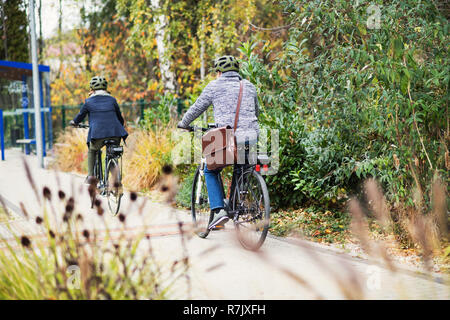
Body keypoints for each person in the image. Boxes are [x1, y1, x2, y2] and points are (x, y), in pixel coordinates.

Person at [177, 55, 260, 231]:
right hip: (251, 136)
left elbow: (197, 107)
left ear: (219, 72)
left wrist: (184, 123)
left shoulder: (215, 86)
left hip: (227, 137)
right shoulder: (250, 87)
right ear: (237, 71)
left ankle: (219, 210)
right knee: (242, 168)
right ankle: (240, 207)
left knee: (210, 169)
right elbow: (256, 112)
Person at [70, 76, 128, 184]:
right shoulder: (112, 99)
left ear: (91, 89)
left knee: (92, 150)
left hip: (98, 134)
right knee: (112, 153)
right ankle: (116, 181)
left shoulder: (88, 102)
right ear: (106, 88)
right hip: (115, 133)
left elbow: (80, 116)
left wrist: (74, 122)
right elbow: (120, 118)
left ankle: (91, 176)